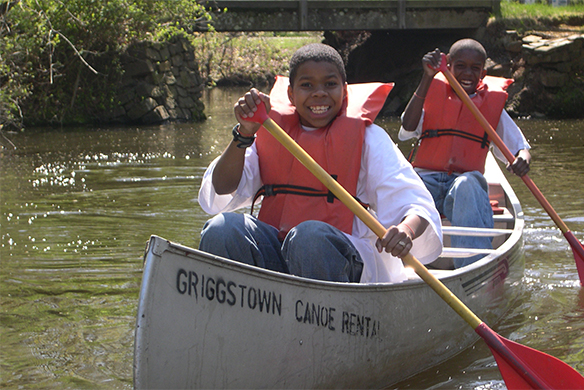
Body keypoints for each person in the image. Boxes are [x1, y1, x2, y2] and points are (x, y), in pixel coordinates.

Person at [198, 43, 442, 284]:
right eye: (307, 85)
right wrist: (244, 133)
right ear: (291, 94)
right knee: (222, 228)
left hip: (342, 259)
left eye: (330, 84)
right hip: (279, 253)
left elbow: (416, 203)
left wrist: (406, 231)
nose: (319, 93)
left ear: (344, 91)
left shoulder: (369, 138)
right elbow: (221, 187)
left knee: (310, 237)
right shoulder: (267, 131)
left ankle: (321, 319)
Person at [399, 38, 531, 269]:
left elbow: (521, 147)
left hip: (461, 191)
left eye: (474, 68)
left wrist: (522, 159)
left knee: (468, 184)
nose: (467, 73)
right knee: (402, 187)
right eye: (460, 66)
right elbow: (408, 127)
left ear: (483, 73)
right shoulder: (430, 93)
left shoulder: (492, 106)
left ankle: (472, 266)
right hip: (426, 182)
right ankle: (399, 263)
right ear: (448, 66)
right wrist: (427, 77)